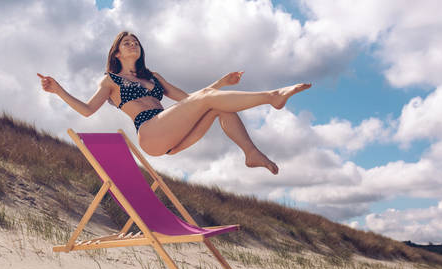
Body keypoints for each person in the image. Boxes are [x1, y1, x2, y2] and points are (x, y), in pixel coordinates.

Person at [38, 31, 311, 175]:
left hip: (172, 137)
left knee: (216, 105)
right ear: (117, 52)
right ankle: (272, 98)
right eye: (127, 42)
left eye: (135, 41)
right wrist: (59, 90)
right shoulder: (110, 80)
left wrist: (221, 84)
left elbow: (189, 100)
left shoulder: (154, 77)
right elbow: (86, 111)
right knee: (209, 99)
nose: (133, 44)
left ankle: (250, 153)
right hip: (150, 133)